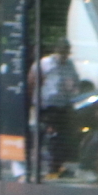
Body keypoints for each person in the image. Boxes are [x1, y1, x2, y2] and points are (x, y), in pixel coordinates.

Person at [36, 40, 77, 179]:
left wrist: (73, 88)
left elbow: (75, 81)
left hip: (64, 104)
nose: (65, 57)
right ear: (56, 52)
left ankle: (57, 165)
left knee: (62, 137)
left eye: (66, 53)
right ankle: (49, 167)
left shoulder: (69, 65)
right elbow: (34, 80)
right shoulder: (44, 63)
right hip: (48, 104)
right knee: (50, 135)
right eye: (62, 53)